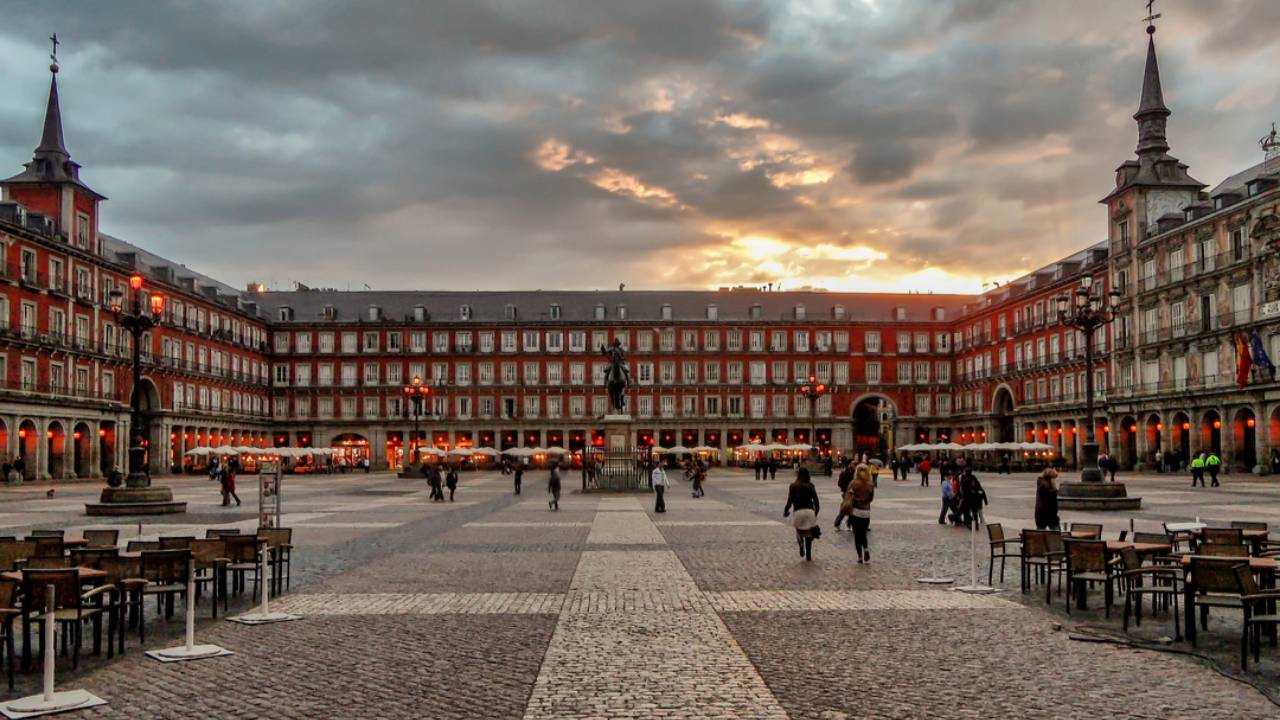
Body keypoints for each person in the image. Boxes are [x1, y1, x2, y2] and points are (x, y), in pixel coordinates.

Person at [783, 467, 820, 562]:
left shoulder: (793, 486)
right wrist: (815, 513)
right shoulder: (810, 486)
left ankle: (800, 544)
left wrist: (786, 511)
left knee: (799, 531)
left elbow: (789, 501)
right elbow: (816, 501)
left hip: (798, 511)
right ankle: (808, 555)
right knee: (808, 534)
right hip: (809, 511)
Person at [845, 464, 875, 564]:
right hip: (866, 512)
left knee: (857, 535)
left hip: (856, 512)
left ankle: (860, 557)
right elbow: (871, 499)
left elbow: (847, 496)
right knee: (863, 533)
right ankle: (866, 549)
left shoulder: (853, 483)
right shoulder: (870, 484)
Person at [833, 464, 855, 531]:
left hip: (853, 493)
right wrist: (847, 488)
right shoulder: (844, 473)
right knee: (845, 508)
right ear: (849, 464)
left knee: (852, 508)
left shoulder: (855, 472)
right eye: (853, 464)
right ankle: (838, 523)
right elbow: (840, 483)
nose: (855, 466)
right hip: (846, 492)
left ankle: (849, 522)